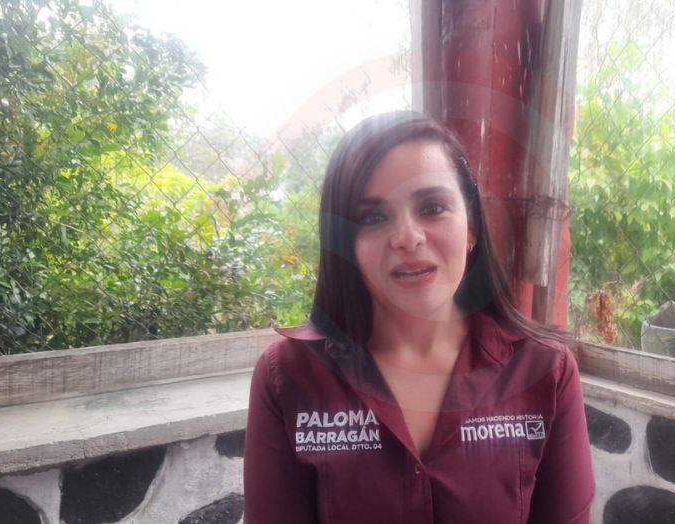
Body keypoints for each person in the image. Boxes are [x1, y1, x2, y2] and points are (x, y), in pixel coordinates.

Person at [244, 112, 594, 523]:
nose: (408, 238)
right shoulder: (288, 376)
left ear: (471, 227)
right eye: (373, 217)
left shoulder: (545, 371)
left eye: (432, 207)